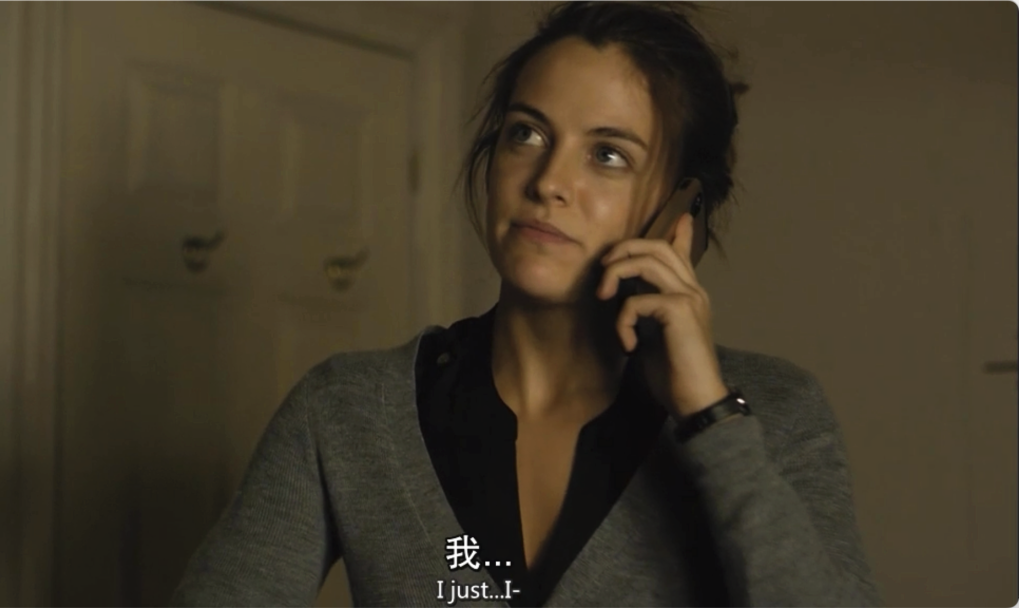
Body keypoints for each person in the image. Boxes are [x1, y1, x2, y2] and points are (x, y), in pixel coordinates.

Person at [172, 2, 880, 606]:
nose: (547, 181)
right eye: (527, 133)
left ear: (680, 209)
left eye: (608, 154)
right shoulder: (345, 411)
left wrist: (709, 416)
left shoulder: (777, 413)